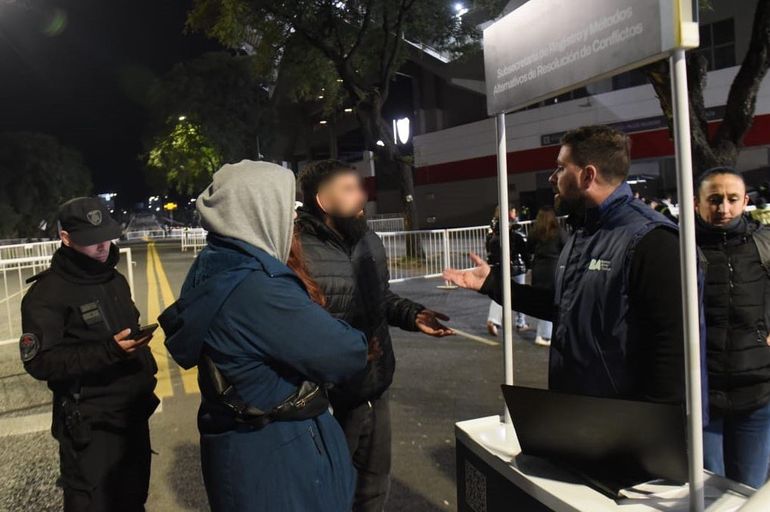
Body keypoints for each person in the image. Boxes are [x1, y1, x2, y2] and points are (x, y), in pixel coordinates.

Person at [159, 161, 369, 512]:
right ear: (259, 211)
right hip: (280, 462)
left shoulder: (217, 265)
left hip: (252, 453)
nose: (293, 220)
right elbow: (347, 353)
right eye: (288, 209)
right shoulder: (257, 289)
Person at [443, 125, 687, 404]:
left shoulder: (653, 240)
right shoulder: (583, 232)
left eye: (560, 168)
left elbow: (673, 353)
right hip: (577, 411)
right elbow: (564, 310)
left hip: (623, 426)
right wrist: (493, 284)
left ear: (587, 176)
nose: (552, 177)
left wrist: (648, 435)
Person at [296, 159, 454, 512]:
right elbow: (299, 329)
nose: (362, 197)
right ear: (323, 200)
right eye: (349, 189)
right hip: (330, 399)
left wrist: (413, 315)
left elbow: (380, 298)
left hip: (376, 386)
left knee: (372, 490)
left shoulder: (367, 239)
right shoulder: (298, 250)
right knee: (328, 493)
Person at [20, 197, 158, 512]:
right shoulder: (46, 294)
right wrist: (108, 352)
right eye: (91, 241)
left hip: (132, 415)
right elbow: (40, 361)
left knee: (134, 499)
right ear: (65, 238)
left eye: (106, 236)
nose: (102, 246)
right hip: (91, 428)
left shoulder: (114, 279)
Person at [695, 167, 770, 489]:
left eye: (731, 199)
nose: (723, 207)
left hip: (757, 393)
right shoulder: (678, 247)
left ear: (745, 202)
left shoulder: (764, 244)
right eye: (714, 199)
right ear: (697, 203)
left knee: (749, 493)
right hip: (702, 398)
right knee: (708, 493)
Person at [526, 206, 568, 347]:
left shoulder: (534, 233)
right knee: (553, 301)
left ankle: (545, 332)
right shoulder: (558, 232)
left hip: (538, 268)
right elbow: (567, 246)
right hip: (554, 269)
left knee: (543, 300)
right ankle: (544, 334)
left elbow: (528, 248)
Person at [485, 206, 530, 336]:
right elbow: (522, 243)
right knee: (520, 293)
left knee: (500, 293)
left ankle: (493, 319)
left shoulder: (493, 228)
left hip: (500, 265)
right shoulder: (514, 228)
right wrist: (528, 264)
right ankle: (521, 322)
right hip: (516, 265)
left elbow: (489, 246)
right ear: (510, 212)